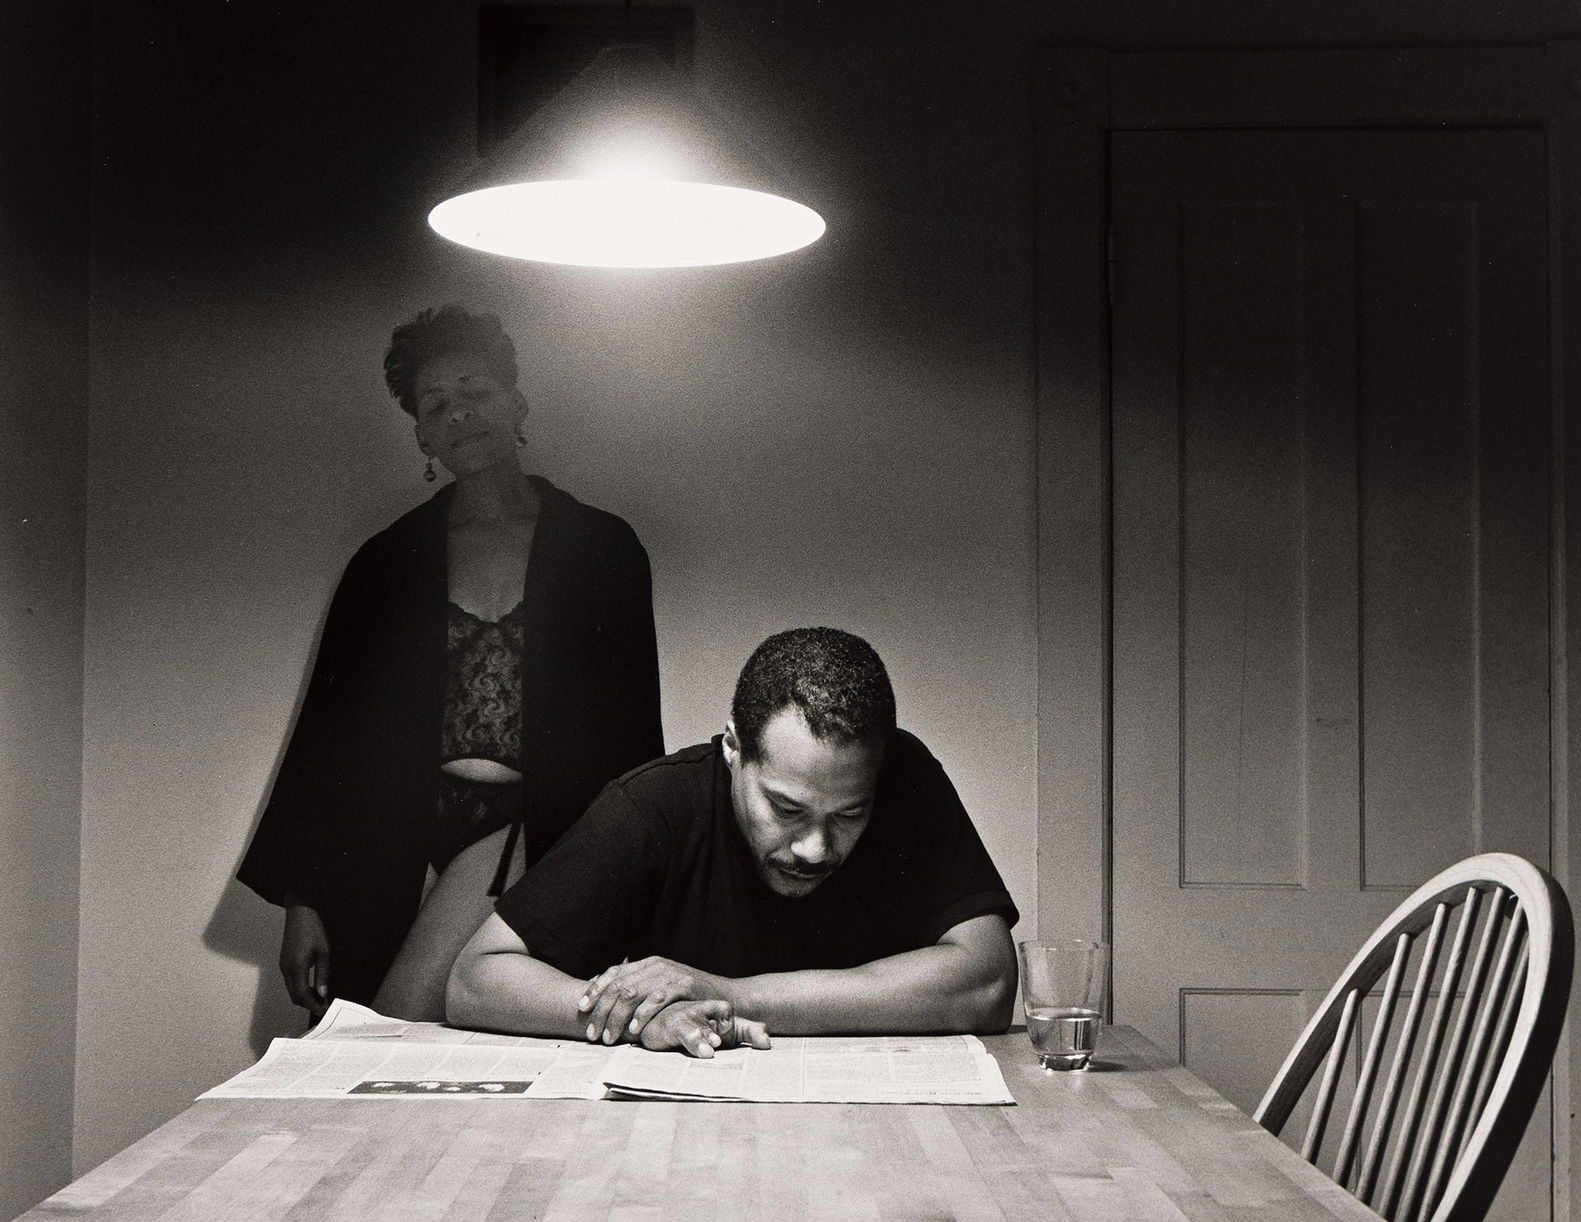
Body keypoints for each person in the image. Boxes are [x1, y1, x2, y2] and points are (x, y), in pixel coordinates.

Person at [239, 305, 663, 1016]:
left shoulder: (604, 550)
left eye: (475, 391)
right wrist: (301, 901)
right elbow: (328, 735)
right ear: (423, 435)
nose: (459, 413)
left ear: (516, 403)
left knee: (394, 1026)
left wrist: (632, 890)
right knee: (410, 1045)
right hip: (391, 835)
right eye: (437, 404)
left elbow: (631, 732)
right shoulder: (386, 562)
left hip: (536, 826)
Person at [447, 627, 1017, 1055]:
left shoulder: (905, 775)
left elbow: (988, 981)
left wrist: (724, 994)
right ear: (733, 749)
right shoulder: (653, 807)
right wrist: (640, 1018)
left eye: (851, 813)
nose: (816, 847)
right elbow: (476, 979)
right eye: (786, 808)